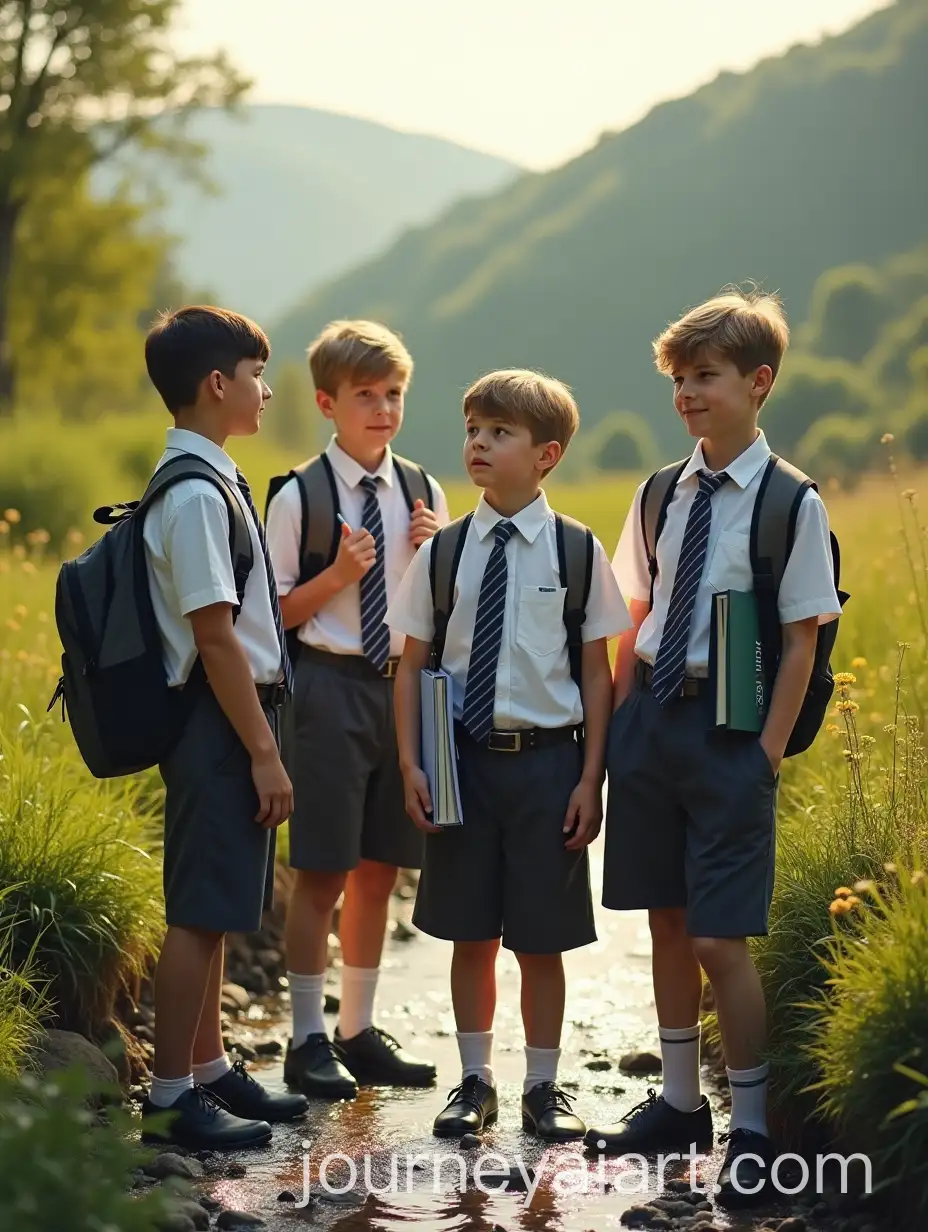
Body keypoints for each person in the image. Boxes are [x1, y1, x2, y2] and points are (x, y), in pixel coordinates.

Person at [585, 291, 842, 1205]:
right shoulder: (659, 492)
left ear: (758, 382)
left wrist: (767, 752)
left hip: (734, 735)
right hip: (651, 722)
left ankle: (758, 1129)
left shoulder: (789, 502)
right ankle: (680, 1102)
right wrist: (612, 737)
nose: (688, 394)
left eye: (707, 377)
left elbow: (805, 638)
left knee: (721, 937)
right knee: (660, 918)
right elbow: (636, 617)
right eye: (679, 379)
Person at [388, 369, 631, 1141]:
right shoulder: (445, 551)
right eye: (474, 431)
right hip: (461, 764)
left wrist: (593, 777)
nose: (479, 445)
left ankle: (543, 1087)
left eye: (500, 433)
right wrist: (411, 763)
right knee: (470, 932)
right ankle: (472, 1081)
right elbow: (411, 661)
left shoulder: (579, 551)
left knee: (543, 937)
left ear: (547, 454)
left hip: (548, 765)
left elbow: (598, 670)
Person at [140, 306, 308, 1149]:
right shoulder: (198, 496)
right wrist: (266, 753)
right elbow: (214, 636)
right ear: (218, 384)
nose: (266, 389)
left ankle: (206, 1071)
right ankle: (171, 1098)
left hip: (226, 722)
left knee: (211, 907)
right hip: (218, 725)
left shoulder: (212, 479)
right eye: (255, 375)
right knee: (198, 915)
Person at [266, 320, 448, 1098]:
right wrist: (339, 574)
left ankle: (357, 1029)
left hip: (400, 688)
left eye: (394, 394)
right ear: (327, 403)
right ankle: (305, 1038)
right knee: (321, 869)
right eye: (366, 396)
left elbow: (442, 609)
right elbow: (269, 614)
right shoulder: (298, 495)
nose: (383, 409)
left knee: (381, 870)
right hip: (327, 687)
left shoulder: (423, 489)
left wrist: (440, 553)